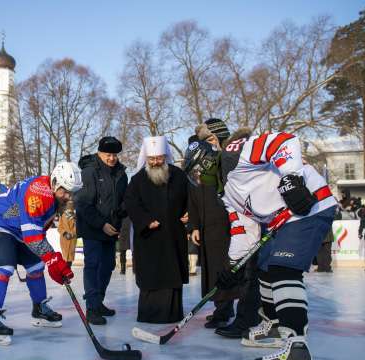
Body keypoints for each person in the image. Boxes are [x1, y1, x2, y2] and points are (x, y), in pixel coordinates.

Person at [186, 129, 336, 360]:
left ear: (208, 162)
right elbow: (244, 231)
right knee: (265, 267)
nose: (198, 178)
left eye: (198, 171)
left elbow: (283, 140)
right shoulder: (226, 194)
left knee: (282, 270)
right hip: (283, 221)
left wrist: (291, 180)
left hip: (309, 207)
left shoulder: (235, 155)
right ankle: (275, 324)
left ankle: (297, 349)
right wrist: (231, 268)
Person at [0, 162, 79, 345]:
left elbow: (37, 231)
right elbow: (33, 237)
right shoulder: (39, 192)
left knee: (36, 266)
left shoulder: (56, 197)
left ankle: (39, 308)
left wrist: (49, 260)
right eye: (65, 191)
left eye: (72, 192)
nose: (68, 196)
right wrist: (53, 258)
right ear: (55, 182)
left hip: (19, 229)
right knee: (4, 268)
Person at [124, 135, 189, 324]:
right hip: (149, 238)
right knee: (151, 277)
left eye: (159, 158)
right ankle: (150, 314)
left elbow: (190, 198)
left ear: (165, 156)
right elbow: (130, 203)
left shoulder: (178, 175)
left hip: (173, 235)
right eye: (151, 159)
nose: (155, 162)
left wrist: (188, 212)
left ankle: (172, 314)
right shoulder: (137, 180)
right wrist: (145, 220)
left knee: (172, 274)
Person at [188, 120, 242, 329]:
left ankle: (225, 309)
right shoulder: (199, 164)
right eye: (205, 140)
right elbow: (192, 196)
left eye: (211, 139)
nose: (209, 144)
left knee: (224, 267)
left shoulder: (228, 159)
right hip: (205, 225)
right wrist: (193, 225)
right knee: (211, 269)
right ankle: (221, 306)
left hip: (225, 222)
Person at [75, 136, 127, 325]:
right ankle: (91, 308)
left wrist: (120, 218)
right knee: (93, 265)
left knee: (107, 266)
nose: (112, 158)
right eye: (108, 154)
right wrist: (101, 224)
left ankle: (98, 301)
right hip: (92, 229)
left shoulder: (121, 173)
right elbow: (82, 204)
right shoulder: (89, 172)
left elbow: (123, 200)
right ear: (99, 153)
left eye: (114, 154)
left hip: (111, 229)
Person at [58, 200, 77, 268]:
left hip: (72, 239)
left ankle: (68, 273)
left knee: (70, 258)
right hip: (64, 239)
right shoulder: (62, 215)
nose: (70, 205)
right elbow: (59, 227)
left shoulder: (75, 217)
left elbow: (77, 227)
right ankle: (64, 273)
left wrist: (72, 234)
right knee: (65, 257)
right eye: (69, 204)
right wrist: (65, 233)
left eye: (71, 204)